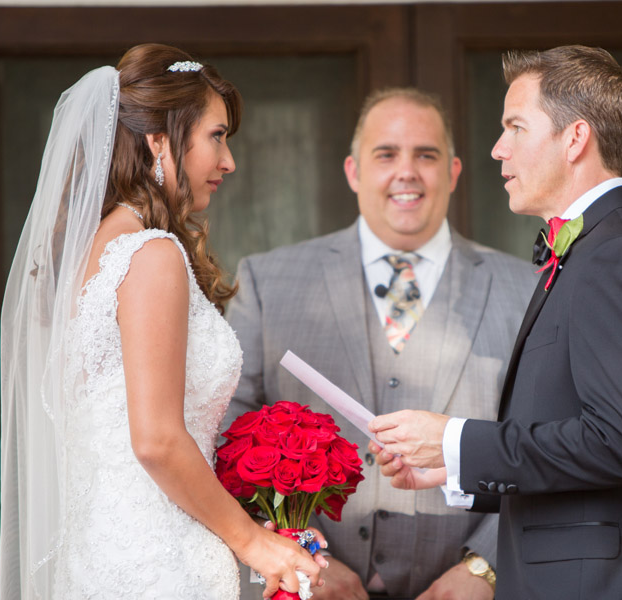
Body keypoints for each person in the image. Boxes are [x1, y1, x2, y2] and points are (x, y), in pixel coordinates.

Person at [0, 43, 327, 600]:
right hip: (159, 565)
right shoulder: (150, 254)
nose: (229, 161)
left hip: (105, 554)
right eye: (216, 137)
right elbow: (155, 440)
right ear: (158, 142)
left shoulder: (89, 255)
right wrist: (253, 542)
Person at [369, 46, 622, 599]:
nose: (498, 149)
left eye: (515, 127)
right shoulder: (592, 251)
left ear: (575, 139)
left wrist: (455, 439)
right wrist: (455, 470)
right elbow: (584, 445)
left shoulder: (621, 256)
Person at [224, 87, 536, 599]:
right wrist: (299, 557)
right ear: (353, 171)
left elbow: (548, 448)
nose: (406, 171)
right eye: (386, 154)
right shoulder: (267, 283)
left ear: (454, 172)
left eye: (426, 155)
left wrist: (486, 569)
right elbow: (224, 442)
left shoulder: (526, 291)